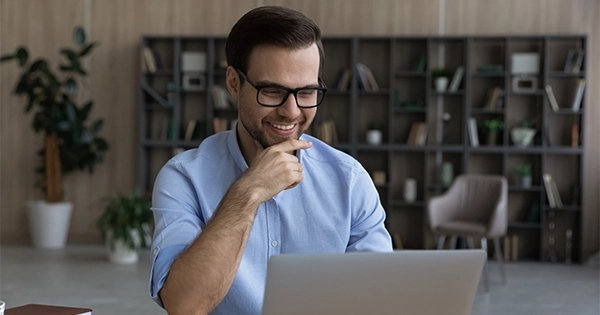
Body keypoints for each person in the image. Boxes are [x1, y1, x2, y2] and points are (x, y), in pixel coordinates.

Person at [149, 5, 392, 315]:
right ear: (234, 83)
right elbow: (184, 305)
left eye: (306, 92)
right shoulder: (183, 178)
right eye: (273, 90)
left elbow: (379, 299)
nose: (291, 111)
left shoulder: (350, 180)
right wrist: (247, 193)